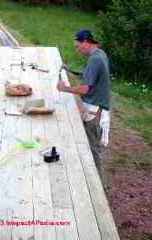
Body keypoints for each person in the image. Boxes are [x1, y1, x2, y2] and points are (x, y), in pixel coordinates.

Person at [57, 29, 110, 172]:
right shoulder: (100, 54)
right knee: (91, 147)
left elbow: (85, 89)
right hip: (99, 107)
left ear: (85, 42)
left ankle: (97, 187)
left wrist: (65, 88)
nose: (77, 49)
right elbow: (89, 75)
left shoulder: (94, 59)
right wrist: (70, 70)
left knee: (93, 150)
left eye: (77, 46)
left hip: (94, 110)